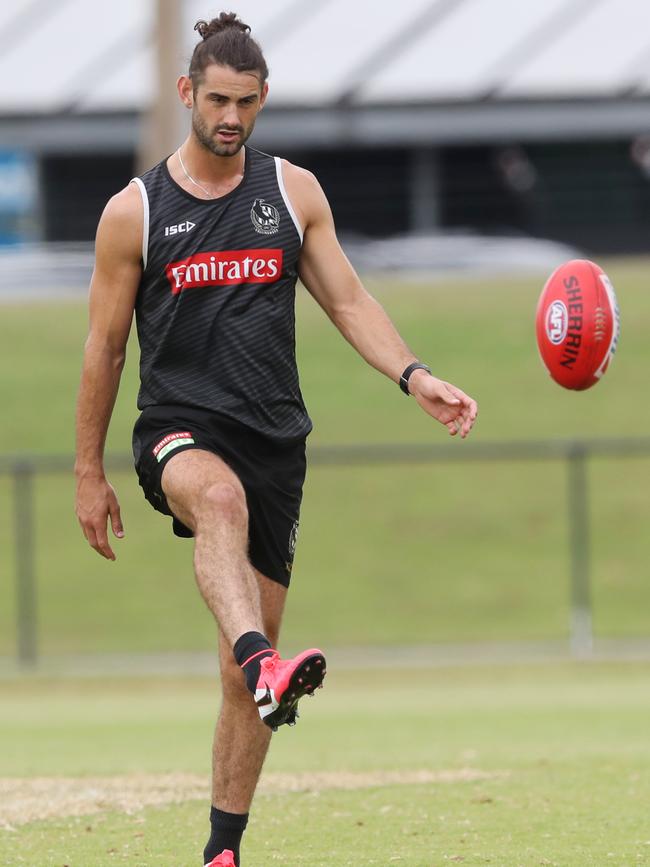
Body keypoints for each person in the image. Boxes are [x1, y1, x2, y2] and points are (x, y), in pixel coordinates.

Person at [74, 12, 478, 867]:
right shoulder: (134, 212)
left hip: (275, 443)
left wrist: (414, 374)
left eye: (246, 103)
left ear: (263, 101)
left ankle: (222, 849)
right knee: (215, 503)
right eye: (216, 99)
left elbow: (348, 301)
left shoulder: (292, 193)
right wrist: (88, 469)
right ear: (186, 92)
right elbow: (105, 347)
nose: (230, 117)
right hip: (178, 429)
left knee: (236, 684)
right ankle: (263, 654)